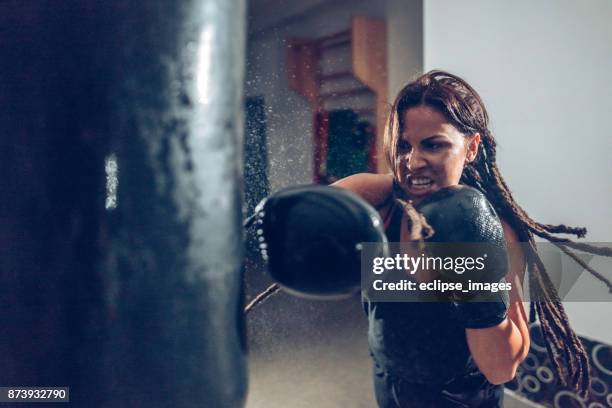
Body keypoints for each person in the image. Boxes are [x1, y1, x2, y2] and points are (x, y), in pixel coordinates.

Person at [332, 70, 609, 407]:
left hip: (461, 397)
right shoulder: (382, 202)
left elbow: (501, 367)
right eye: (404, 145)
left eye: (434, 145)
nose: (413, 161)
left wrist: (474, 282)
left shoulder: (495, 231)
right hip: (391, 380)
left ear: (472, 147)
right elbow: (300, 216)